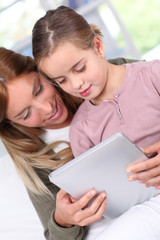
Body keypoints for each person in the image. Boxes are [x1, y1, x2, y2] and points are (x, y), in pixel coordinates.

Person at [32, 6, 160, 240]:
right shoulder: (81, 129)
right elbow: (103, 193)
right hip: (145, 206)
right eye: (62, 80)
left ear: (98, 47)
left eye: (80, 68)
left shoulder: (152, 75)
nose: (77, 84)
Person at [0, 47, 143, 240]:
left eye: (39, 89)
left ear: (40, 70)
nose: (47, 108)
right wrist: (63, 220)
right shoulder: (35, 159)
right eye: (25, 114)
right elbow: (54, 236)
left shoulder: (105, 76)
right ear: (10, 122)